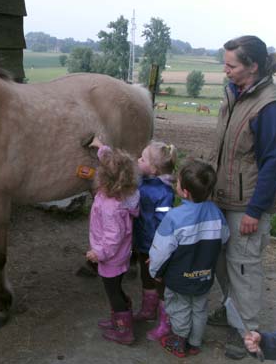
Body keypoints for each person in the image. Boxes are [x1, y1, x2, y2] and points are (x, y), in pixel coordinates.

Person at [206, 35, 276, 360]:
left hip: (247, 205)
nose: (225, 70)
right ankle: (232, 312)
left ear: (253, 67)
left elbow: (272, 164)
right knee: (219, 262)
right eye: (225, 63)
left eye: (232, 65)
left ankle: (245, 330)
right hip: (222, 196)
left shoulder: (271, 107)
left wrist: (255, 211)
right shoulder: (234, 93)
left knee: (243, 267)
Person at [149, 159, 230, 358]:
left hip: (179, 278)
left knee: (179, 308)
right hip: (204, 276)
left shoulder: (174, 217)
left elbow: (161, 249)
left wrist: (155, 271)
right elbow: (225, 236)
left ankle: (179, 340)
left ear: (185, 192)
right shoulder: (216, 212)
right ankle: (195, 342)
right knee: (200, 308)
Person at [86, 136, 140, 345]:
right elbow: (112, 162)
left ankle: (124, 330)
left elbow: (113, 237)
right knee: (116, 287)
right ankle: (120, 319)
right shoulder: (126, 193)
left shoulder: (110, 206)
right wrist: (101, 147)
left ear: (105, 179)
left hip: (111, 257)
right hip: (121, 255)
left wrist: (98, 253)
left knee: (113, 291)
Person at [132, 141, 177, 342]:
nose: (137, 161)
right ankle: (148, 310)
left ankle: (165, 322)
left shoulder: (164, 192)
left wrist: (159, 252)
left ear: (153, 168)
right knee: (146, 276)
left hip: (156, 246)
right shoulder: (143, 182)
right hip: (142, 241)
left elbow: (165, 224)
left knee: (160, 282)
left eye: (142, 159)